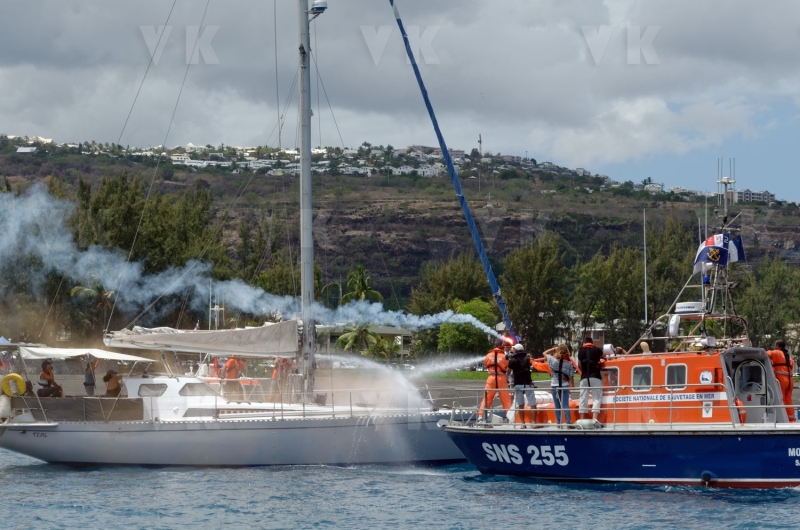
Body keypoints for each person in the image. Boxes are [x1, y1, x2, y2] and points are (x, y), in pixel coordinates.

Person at [539, 344, 577, 425]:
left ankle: (559, 422)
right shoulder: (569, 363)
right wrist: (572, 385)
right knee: (565, 405)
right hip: (564, 386)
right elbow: (571, 376)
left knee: (557, 405)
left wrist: (553, 349)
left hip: (554, 385)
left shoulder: (552, 360)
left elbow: (544, 353)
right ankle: (568, 422)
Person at [478, 345, 512, 419]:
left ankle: (481, 416)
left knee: (487, 397)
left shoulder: (488, 355)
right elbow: (507, 367)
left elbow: (485, 364)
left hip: (491, 378)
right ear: (501, 347)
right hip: (501, 378)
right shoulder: (504, 356)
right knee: (506, 398)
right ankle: (510, 416)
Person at [767, 340, 796, 423]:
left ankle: (783, 419)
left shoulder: (776, 353)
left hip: (782, 380)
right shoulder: (789, 356)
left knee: (781, 400)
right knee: (788, 400)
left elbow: (766, 354)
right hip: (790, 381)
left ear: (777, 346)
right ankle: (792, 420)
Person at [578, 336, 604, 423]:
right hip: (595, 376)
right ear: (592, 343)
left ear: (584, 343)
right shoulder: (597, 350)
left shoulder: (580, 351)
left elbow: (580, 362)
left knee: (583, 398)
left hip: (584, 377)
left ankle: (582, 419)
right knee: (597, 398)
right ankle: (594, 419)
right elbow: (602, 355)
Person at [507, 343, 535, 426]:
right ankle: (534, 422)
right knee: (532, 404)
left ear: (516, 350)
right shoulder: (527, 358)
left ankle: (523, 423)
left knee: (520, 404)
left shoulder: (513, 360)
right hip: (528, 383)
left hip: (518, 384)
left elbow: (508, 372)